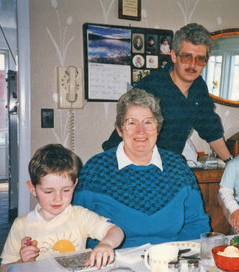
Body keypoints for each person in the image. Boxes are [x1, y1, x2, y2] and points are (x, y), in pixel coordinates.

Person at [74, 88, 210, 248]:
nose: (141, 131)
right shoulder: (96, 170)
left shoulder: (178, 167)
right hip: (114, 262)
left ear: (158, 128)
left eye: (148, 122)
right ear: (119, 129)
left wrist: (174, 255)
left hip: (170, 260)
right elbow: (75, 226)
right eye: (131, 123)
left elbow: (197, 223)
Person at [102, 23, 232, 162]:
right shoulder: (151, 86)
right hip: (130, 164)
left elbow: (210, 128)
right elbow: (128, 133)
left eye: (199, 59)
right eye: (186, 57)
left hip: (166, 167)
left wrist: (230, 162)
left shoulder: (198, 86)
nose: (192, 65)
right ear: (174, 56)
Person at [0, 144, 124, 272]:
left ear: (74, 185)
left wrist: (106, 244)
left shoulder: (80, 216)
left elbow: (116, 231)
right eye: (48, 192)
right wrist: (22, 262)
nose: (58, 198)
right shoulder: (21, 225)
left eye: (66, 190)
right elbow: (4, 268)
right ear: (32, 188)